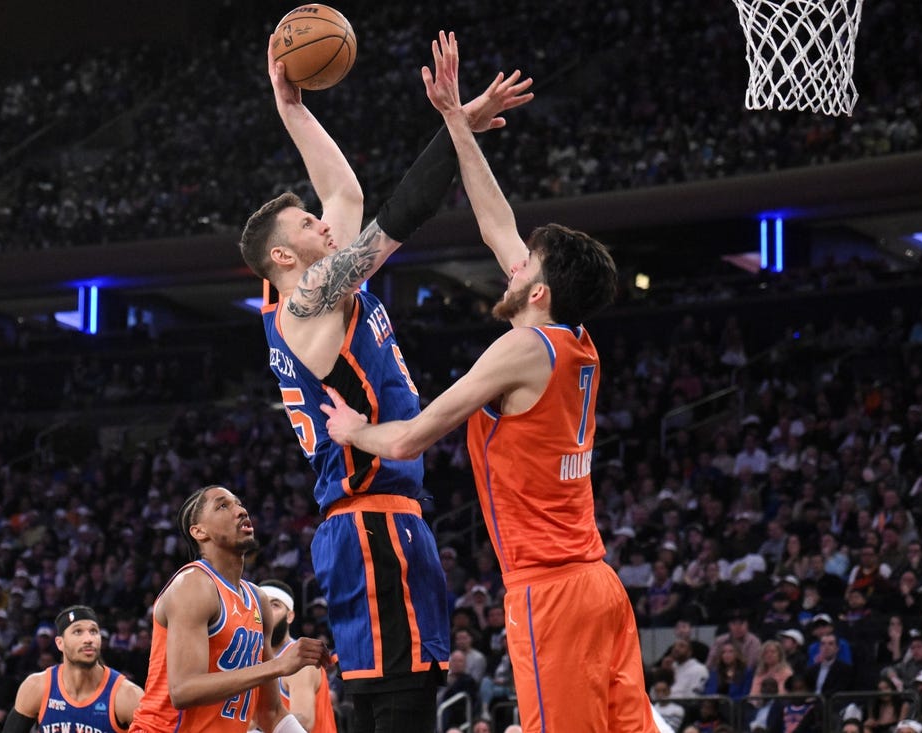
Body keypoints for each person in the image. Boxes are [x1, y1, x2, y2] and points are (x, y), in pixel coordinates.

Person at [323, 31, 656, 733]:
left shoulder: (524, 351)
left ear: (538, 291)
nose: (511, 265)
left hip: (550, 592)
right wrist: (454, 119)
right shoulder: (575, 340)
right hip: (600, 585)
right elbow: (496, 219)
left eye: (524, 266)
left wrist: (356, 429)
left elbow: (413, 435)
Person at [238, 30, 532, 733]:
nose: (324, 218)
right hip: (370, 517)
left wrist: (292, 107)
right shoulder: (309, 301)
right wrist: (455, 125)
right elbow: (400, 214)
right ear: (284, 254)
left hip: (376, 517)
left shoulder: (314, 289)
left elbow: (345, 189)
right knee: (403, 696)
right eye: (308, 222)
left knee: (390, 690)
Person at [129, 486, 330, 733]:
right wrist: (278, 665)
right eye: (223, 506)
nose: (241, 511)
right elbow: (182, 690)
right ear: (199, 531)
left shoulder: (258, 599)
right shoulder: (194, 584)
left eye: (239, 503)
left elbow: (270, 713)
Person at [1, 605, 143, 733]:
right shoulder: (37, 686)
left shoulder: (128, 695)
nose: (88, 639)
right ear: (60, 643)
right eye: (78, 632)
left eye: (93, 631)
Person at [257, 581, 338, 733]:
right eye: (261, 605)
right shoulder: (254, 658)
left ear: (290, 616)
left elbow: (304, 721)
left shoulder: (300, 658)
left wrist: (253, 727)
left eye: (275, 605)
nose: (266, 611)